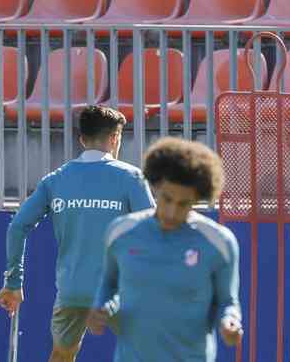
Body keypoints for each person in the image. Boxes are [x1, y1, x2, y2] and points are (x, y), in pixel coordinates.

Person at [0, 105, 155, 362]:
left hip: (72, 291)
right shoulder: (131, 177)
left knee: (62, 355)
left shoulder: (56, 179)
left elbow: (17, 226)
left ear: (82, 139)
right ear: (115, 138)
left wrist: (13, 283)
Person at [86, 137, 243, 362]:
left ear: (197, 199)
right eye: (166, 198)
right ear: (155, 187)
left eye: (183, 204)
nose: (171, 212)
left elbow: (228, 302)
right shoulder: (120, 233)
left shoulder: (219, 243)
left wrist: (230, 322)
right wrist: (101, 308)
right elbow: (109, 285)